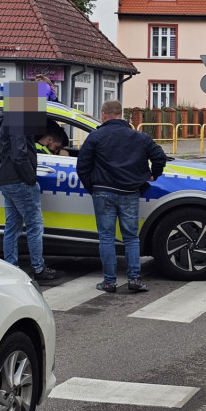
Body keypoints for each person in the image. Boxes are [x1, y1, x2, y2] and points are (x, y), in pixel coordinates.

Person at [77, 99, 167, 293]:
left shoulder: (95, 137)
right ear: (122, 115)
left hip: (102, 192)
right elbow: (159, 156)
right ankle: (134, 279)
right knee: (131, 238)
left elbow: (82, 166)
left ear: (103, 114)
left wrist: (92, 186)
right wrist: (153, 174)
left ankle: (109, 282)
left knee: (107, 238)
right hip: (129, 192)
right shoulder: (139, 137)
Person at [0, 92, 61, 282]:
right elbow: (20, 155)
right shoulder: (18, 122)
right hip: (19, 180)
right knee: (34, 225)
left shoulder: (7, 120)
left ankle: (11, 267)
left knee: (13, 226)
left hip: (8, 179)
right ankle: (38, 268)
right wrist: (31, 178)